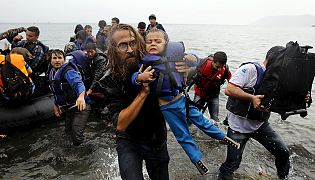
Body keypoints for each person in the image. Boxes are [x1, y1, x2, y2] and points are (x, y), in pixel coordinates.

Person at [132, 29, 240, 175]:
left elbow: (197, 60)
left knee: (203, 121)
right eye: (149, 41)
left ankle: (224, 138)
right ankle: (197, 161)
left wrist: (192, 57)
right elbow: (134, 77)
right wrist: (139, 77)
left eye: (158, 41)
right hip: (168, 107)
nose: (153, 44)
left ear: (166, 44)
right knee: (182, 134)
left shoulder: (174, 56)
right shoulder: (145, 63)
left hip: (183, 100)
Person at [99, 23, 170, 180]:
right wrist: (143, 93)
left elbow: (178, 53)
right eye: (123, 45)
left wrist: (186, 63)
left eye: (132, 43)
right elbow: (120, 124)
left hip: (156, 137)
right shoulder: (109, 79)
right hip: (129, 139)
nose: (130, 50)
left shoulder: (152, 62)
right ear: (113, 50)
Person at [218, 46, 292, 179]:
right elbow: (229, 89)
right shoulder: (251, 69)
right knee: (232, 164)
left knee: (283, 152)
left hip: (260, 125)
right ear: (271, 60)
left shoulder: (278, 78)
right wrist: (251, 97)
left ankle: (283, 177)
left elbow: (283, 101)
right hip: (237, 127)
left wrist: (303, 97)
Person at [48, 49, 90, 146]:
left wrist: (81, 96)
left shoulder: (68, 71)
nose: (57, 60)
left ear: (64, 60)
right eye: (54, 58)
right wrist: (56, 104)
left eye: (60, 58)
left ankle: (88, 150)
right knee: (68, 133)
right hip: (69, 108)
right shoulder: (52, 72)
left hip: (81, 106)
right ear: (50, 60)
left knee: (76, 137)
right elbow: (56, 91)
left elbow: (79, 84)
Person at [192, 52, 231, 122]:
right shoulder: (203, 63)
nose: (219, 69)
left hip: (213, 96)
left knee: (215, 118)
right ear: (213, 61)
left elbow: (232, 82)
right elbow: (191, 62)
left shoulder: (225, 70)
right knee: (194, 115)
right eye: (217, 67)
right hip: (200, 93)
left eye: (221, 67)